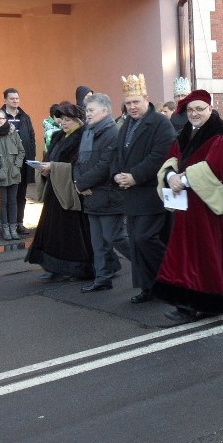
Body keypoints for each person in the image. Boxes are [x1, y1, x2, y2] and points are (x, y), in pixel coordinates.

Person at [153, 89, 223, 323]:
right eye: (191, 110)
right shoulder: (186, 132)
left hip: (207, 205)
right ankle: (213, 300)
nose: (194, 114)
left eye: (199, 109)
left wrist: (180, 180)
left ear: (210, 110)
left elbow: (215, 168)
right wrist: (171, 175)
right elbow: (172, 157)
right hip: (188, 202)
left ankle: (192, 305)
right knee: (195, 252)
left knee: (203, 252)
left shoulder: (221, 135)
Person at [113, 74, 175, 303]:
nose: (132, 107)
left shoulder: (160, 123)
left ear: (146, 99)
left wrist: (135, 176)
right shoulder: (126, 124)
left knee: (144, 239)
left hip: (151, 193)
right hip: (131, 194)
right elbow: (118, 153)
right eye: (128, 103)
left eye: (136, 102)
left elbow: (160, 155)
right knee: (137, 245)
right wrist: (116, 174)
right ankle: (148, 286)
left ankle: (170, 278)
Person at [25, 102, 94, 281]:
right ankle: (53, 266)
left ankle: (77, 268)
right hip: (54, 189)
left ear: (78, 121)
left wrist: (53, 167)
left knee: (72, 232)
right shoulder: (57, 136)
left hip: (70, 189)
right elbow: (49, 157)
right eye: (62, 119)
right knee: (51, 231)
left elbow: (80, 165)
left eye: (68, 120)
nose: (63, 123)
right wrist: (45, 168)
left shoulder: (83, 137)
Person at [73, 93, 124, 293]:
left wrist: (82, 182)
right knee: (98, 243)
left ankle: (149, 270)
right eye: (87, 110)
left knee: (116, 238)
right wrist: (78, 182)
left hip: (108, 196)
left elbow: (105, 166)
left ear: (105, 111)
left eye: (91, 110)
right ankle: (102, 278)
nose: (87, 114)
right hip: (91, 196)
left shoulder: (112, 133)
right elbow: (79, 161)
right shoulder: (88, 132)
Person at [0, 88, 36, 235]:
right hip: (8, 163)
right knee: (8, 196)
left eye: (17, 98)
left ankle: (19, 223)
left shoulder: (25, 116)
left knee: (21, 194)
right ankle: (8, 225)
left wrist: (31, 157)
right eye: (12, 98)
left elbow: (32, 137)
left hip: (24, 161)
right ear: (5, 100)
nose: (15, 101)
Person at [0, 109, 25, 240]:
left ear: (5, 119)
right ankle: (5, 229)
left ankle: (13, 229)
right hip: (0, 174)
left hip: (14, 172)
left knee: (13, 201)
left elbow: (21, 151)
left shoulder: (12, 133)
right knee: (3, 201)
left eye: (1, 118)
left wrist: (16, 166)